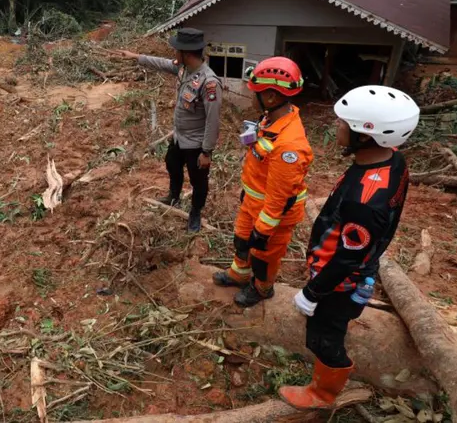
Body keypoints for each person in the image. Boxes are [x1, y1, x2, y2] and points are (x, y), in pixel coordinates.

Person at [279, 85, 420, 409]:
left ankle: (323, 393)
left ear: (366, 135)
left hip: (340, 280)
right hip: (359, 266)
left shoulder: (365, 202)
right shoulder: (393, 161)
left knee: (323, 335)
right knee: (333, 319)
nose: (336, 127)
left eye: (344, 123)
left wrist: (313, 292)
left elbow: (346, 258)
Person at [212, 57, 313, 307]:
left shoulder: (289, 146)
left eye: (254, 92)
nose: (250, 96)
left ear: (270, 97)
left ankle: (262, 288)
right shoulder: (272, 119)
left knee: (263, 255)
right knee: (242, 240)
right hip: (254, 202)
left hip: (273, 215)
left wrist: (264, 229)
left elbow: (280, 197)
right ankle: (239, 274)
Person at [114, 28, 221, 232]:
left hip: (196, 143)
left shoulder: (209, 83)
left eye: (176, 50)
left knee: (198, 181)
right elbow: (162, 63)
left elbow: (213, 122)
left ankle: (195, 213)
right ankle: (174, 196)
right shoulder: (183, 69)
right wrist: (136, 56)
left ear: (186, 54)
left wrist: (206, 152)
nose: (173, 54)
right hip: (179, 137)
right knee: (171, 163)